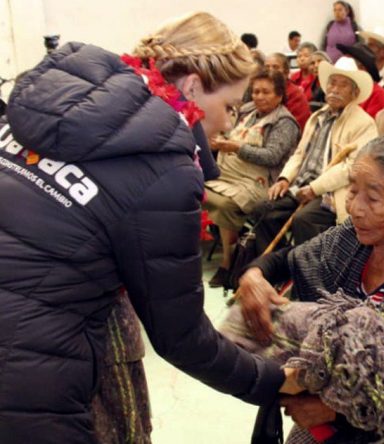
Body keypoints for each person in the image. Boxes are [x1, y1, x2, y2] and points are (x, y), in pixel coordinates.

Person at [0, 12, 302, 443]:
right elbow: (181, 336)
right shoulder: (165, 171)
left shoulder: (54, 99)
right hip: (28, 368)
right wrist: (275, 380)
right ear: (194, 85)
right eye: (230, 107)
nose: (231, 124)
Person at [237, 134, 384, 444]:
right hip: (318, 414)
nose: (355, 208)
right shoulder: (350, 239)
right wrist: (254, 276)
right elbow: (286, 259)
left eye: (373, 198)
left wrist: (334, 410)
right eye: (353, 191)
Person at [256, 56, 378, 257]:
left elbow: (352, 168)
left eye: (343, 85)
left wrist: (315, 188)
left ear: (355, 92)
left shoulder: (364, 123)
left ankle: (311, 276)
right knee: (264, 209)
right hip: (301, 184)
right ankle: (278, 267)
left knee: (305, 219)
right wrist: (285, 179)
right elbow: (299, 154)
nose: (334, 89)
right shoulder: (318, 116)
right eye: (332, 83)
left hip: (330, 191)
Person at [205, 70, 302, 287]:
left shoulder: (284, 122)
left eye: (266, 92)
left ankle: (227, 263)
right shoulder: (248, 111)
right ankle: (227, 252)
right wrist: (220, 141)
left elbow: (271, 156)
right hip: (230, 175)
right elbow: (231, 134)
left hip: (261, 183)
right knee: (199, 192)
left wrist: (236, 148)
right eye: (256, 91)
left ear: (279, 95)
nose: (259, 96)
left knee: (224, 205)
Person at [338, 42, 384, 117]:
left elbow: (369, 125)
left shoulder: (377, 93)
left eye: (350, 64)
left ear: (362, 68)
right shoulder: (342, 88)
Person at [265, 53, 311, 130]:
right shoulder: (261, 90)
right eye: (267, 67)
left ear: (286, 72)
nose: (270, 71)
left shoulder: (295, 94)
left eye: (275, 67)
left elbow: (291, 128)